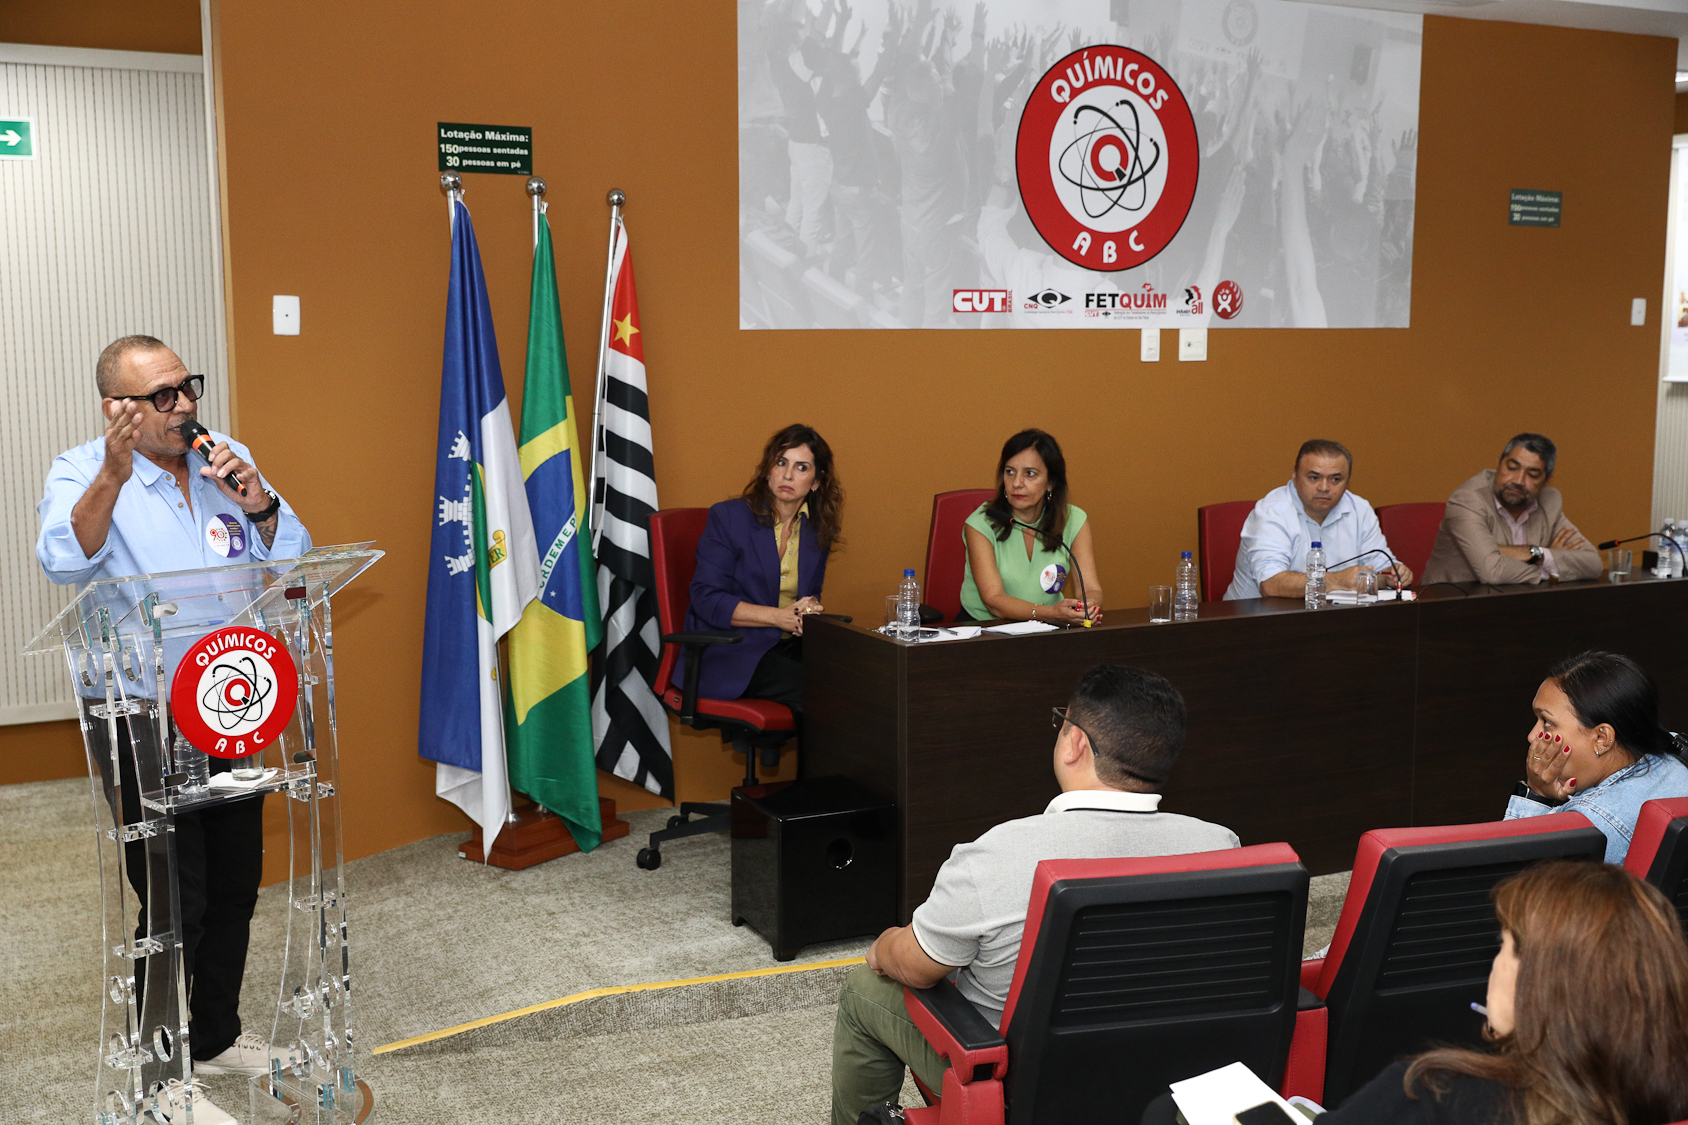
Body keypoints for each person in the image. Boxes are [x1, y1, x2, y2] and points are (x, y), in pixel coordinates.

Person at [36, 335, 310, 1124]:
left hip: (230, 701)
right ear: (116, 408)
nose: (184, 404)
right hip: (140, 712)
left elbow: (294, 558)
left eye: (187, 386)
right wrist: (114, 474)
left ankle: (214, 1033)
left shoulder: (224, 457)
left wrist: (258, 501)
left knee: (235, 882)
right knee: (171, 899)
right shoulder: (82, 470)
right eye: (162, 394)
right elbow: (63, 560)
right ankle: (159, 1079)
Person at [830, 664, 1238, 1125]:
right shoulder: (1221, 845)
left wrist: (885, 945)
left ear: (1075, 743)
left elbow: (915, 968)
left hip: (1023, 1093)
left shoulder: (997, 854)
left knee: (866, 988)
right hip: (1173, 1081)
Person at [1315, 860, 1688, 1123]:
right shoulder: (1668, 1099)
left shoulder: (1430, 1094)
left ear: (1539, 981)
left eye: (1503, 946)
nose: (1494, 965)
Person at [679, 424, 842, 763]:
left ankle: (824, 791)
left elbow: (810, 592)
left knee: (856, 679)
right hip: (731, 649)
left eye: (801, 467)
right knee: (821, 695)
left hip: (784, 645)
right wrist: (778, 617)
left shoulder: (816, 529)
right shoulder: (729, 517)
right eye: (781, 462)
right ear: (768, 470)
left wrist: (809, 609)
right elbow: (706, 598)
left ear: (816, 481)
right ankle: (811, 793)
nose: (788, 474)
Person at [1504, 651, 1688, 865]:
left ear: (1602, 738)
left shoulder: (1590, 824)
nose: (1532, 736)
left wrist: (1537, 795)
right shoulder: (1677, 750)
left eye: (1546, 722)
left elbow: (1513, 878)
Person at [1225, 439, 1413, 600]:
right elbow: (1271, 584)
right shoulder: (1272, 512)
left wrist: (1391, 577)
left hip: (1329, 617)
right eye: (1314, 477)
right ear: (1294, 476)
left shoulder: (1359, 509)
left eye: (1335, 479)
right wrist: (1337, 581)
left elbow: (1380, 566)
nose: (1324, 487)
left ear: (1348, 481)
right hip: (1254, 620)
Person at [959, 429, 1103, 623]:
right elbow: (994, 601)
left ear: (1050, 482)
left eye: (1030, 474)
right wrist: (1049, 613)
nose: (1017, 483)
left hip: (1048, 626)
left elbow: (1090, 589)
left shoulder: (1073, 520)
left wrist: (1086, 607)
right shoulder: (980, 523)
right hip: (985, 627)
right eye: (1010, 472)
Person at [1421, 433, 1600, 587]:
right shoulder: (1468, 500)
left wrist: (1535, 553)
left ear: (1546, 481)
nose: (1518, 481)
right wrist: (1548, 565)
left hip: (1518, 604)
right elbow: (1492, 571)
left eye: (1532, 474)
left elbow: (1593, 563)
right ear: (1499, 463)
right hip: (1452, 605)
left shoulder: (1549, 502)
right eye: (1512, 468)